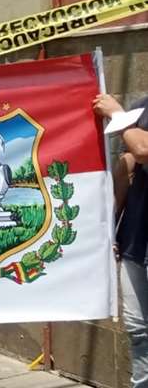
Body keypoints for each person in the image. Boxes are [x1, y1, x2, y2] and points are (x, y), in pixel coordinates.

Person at [95, 93, 148, 388]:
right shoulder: (143, 106)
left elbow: (143, 149)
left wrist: (118, 114)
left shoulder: (129, 114)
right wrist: (109, 228)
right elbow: (130, 161)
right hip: (136, 239)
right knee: (138, 329)